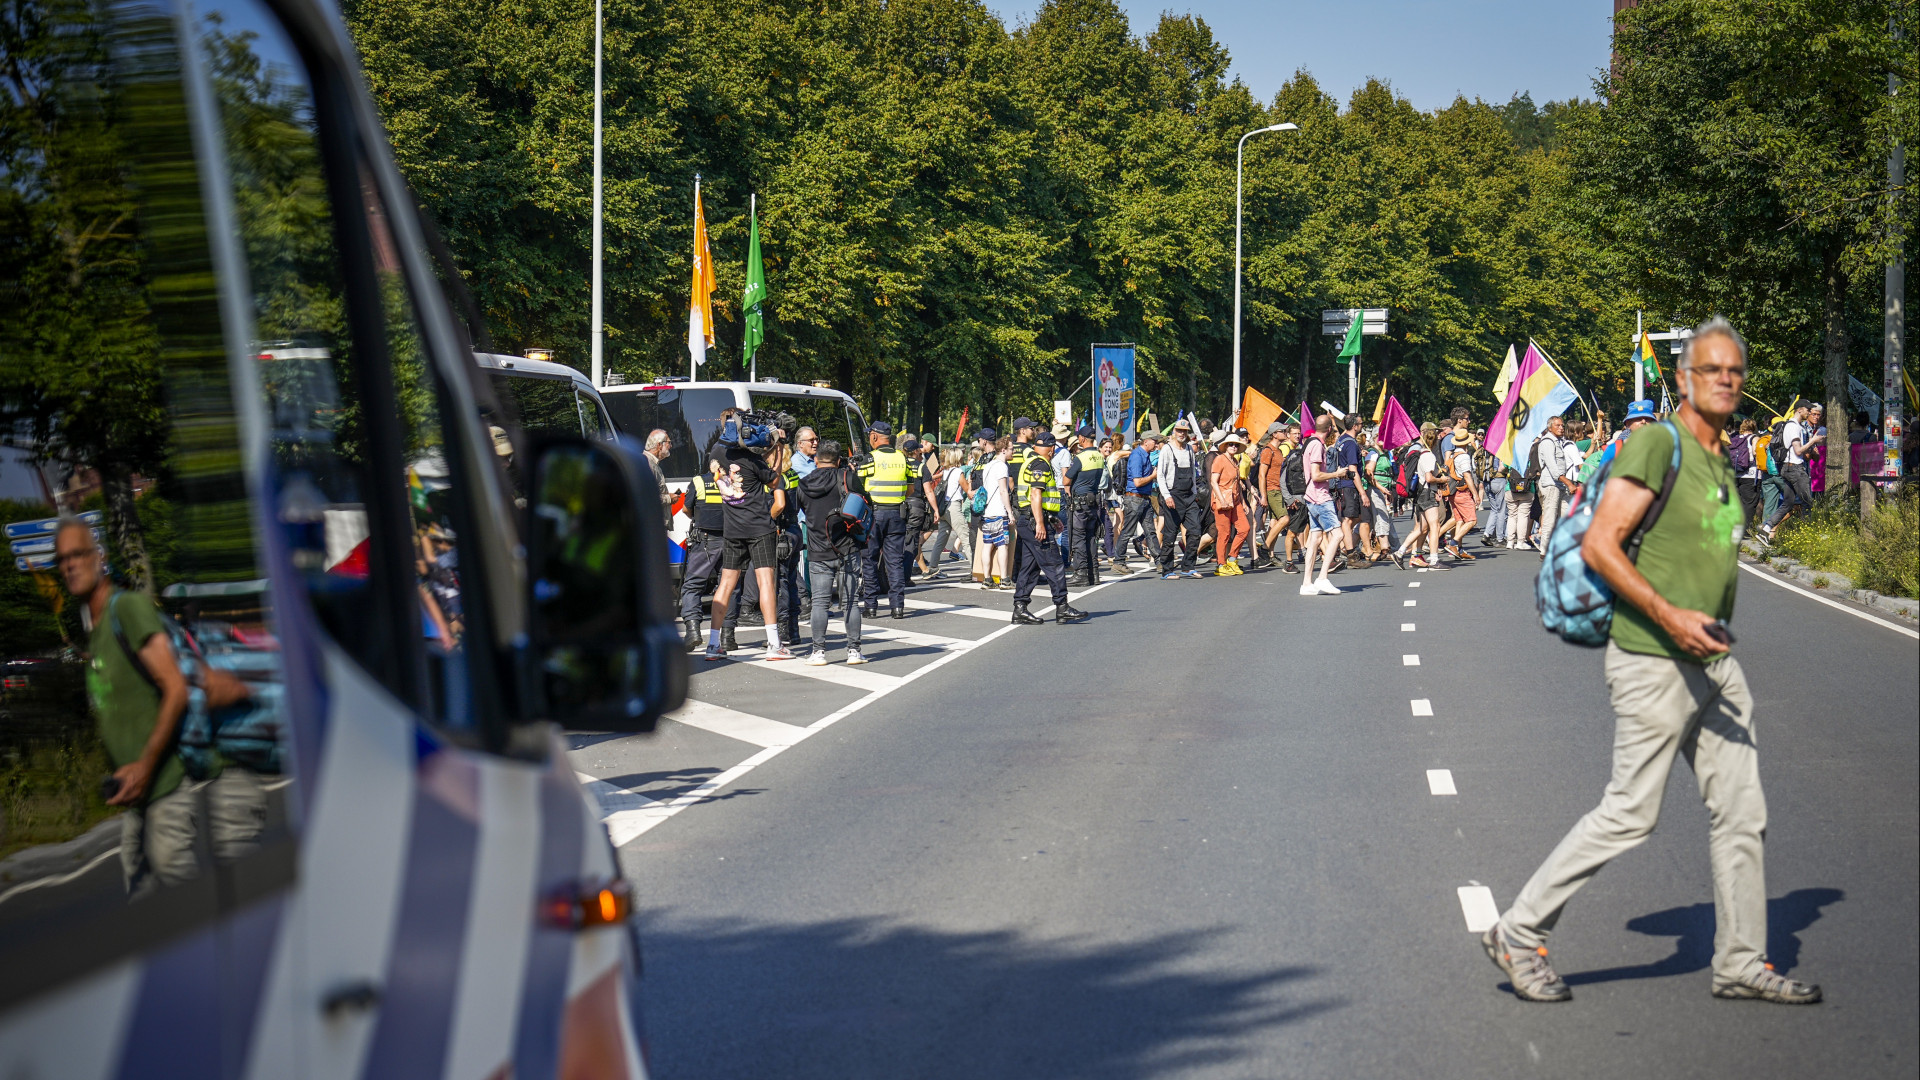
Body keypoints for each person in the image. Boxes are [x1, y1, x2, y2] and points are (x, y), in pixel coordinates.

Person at [1486, 317, 1817, 1006]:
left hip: (1714, 661)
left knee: (1742, 810)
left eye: (1735, 371)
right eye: (1711, 369)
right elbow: (1605, 544)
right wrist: (1670, 616)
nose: (1726, 379)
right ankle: (1519, 930)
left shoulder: (1719, 459)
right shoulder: (1657, 447)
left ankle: (1741, 961)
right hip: (1652, 656)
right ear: (1686, 381)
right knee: (1631, 812)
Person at [706, 411, 790, 660]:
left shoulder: (715, 453)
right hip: (759, 528)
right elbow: (774, 480)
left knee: (726, 584)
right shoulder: (751, 460)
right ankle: (774, 644)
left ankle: (713, 644)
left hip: (732, 529)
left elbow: (744, 469)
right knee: (766, 583)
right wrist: (779, 445)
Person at [795, 440, 868, 666]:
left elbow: (795, 511)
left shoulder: (803, 484)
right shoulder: (846, 478)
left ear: (816, 460)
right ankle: (854, 651)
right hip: (847, 547)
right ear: (838, 460)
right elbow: (865, 503)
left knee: (819, 603)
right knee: (851, 602)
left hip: (817, 550)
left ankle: (818, 652)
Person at [1011, 430, 1089, 625]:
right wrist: (1040, 523)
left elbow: (1038, 498)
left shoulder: (1029, 461)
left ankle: (1020, 608)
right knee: (1054, 564)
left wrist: (1051, 518)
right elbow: (1036, 495)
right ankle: (1062, 607)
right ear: (1052, 449)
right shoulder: (1041, 464)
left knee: (1029, 568)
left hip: (1027, 519)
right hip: (1033, 521)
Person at [678, 451, 740, 650]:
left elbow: (686, 509)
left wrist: (699, 518)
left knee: (693, 586)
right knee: (730, 587)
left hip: (705, 540)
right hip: (731, 539)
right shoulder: (735, 481)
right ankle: (728, 637)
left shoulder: (698, 481)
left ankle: (693, 632)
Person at [857, 421, 913, 619]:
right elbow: (911, 489)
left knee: (870, 560)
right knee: (895, 562)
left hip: (874, 514)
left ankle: (871, 606)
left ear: (874, 436)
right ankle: (897, 607)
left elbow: (859, 489)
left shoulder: (869, 459)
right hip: (897, 513)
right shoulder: (903, 458)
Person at [1297, 415, 1347, 595]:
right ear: (1329, 430)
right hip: (1320, 497)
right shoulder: (1318, 445)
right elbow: (1316, 475)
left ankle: (1306, 583)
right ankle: (1322, 577)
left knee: (1315, 539)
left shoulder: (1309, 443)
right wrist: (1337, 474)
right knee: (1338, 534)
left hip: (1311, 496)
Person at [1154, 420, 1206, 578]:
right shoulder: (1167, 450)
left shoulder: (1190, 449)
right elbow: (1160, 475)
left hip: (1189, 496)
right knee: (1170, 535)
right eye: (1179, 431)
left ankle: (1188, 566)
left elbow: (1192, 474)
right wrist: (1167, 495)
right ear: (1174, 432)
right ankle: (1167, 569)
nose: (1182, 434)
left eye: (1184, 431)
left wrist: (1195, 493)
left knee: (1196, 530)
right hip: (1173, 495)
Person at [1118, 429, 1164, 574]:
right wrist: (1153, 475)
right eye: (1154, 441)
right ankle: (1118, 561)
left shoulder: (1144, 454)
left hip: (1142, 498)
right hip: (1135, 498)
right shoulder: (1137, 456)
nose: (1156, 444)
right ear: (1146, 441)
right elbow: (1137, 482)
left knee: (1150, 531)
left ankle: (1159, 561)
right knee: (1128, 531)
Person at [1065, 425, 1106, 587]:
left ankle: (1081, 573)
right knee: (1091, 537)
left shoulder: (1081, 458)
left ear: (1081, 439)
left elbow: (1066, 480)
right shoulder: (1099, 456)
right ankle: (1093, 573)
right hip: (1094, 502)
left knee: (1078, 537)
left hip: (1081, 502)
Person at [1532, 414, 1575, 557]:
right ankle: (1544, 550)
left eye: (1562, 425)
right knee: (1550, 517)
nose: (1561, 428)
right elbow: (1552, 467)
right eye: (1558, 425)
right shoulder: (1547, 442)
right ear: (1550, 428)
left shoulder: (1558, 441)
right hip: (1551, 484)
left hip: (1560, 484)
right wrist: (1568, 483)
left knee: (1567, 515)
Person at [1331, 415, 1371, 567]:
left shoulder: (1342, 440)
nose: (1361, 426)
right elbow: (1353, 470)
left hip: (1344, 484)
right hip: (1348, 485)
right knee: (1347, 521)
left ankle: (1346, 547)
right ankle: (1350, 555)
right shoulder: (1351, 444)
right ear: (1355, 426)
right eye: (1361, 423)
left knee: (1358, 516)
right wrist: (1362, 493)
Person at [974, 435, 1014, 588]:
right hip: (999, 511)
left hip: (987, 512)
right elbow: (1003, 491)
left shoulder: (988, 465)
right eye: (1011, 449)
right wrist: (1009, 512)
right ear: (1003, 450)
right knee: (1003, 545)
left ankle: (987, 579)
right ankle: (1004, 579)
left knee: (987, 545)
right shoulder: (1001, 467)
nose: (1013, 452)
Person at [1210, 430, 1250, 575]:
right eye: (1231, 444)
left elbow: (1237, 484)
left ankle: (1232, 559)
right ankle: (1221, 565)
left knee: (1244, 528)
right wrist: (1221, 499)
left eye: (1236, 445)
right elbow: (1214, 482)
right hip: (1223, 500)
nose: (1233, 447)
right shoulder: (1220, 459)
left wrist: (1244, 502)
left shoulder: (1235, 461)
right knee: (1224, 534)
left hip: (1235, 500)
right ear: (1225, 446)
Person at [1731, 418, 1763, 530]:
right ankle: (1745, 530)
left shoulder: (1735, 438)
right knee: (1749, 503)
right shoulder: (1754, 438)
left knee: (1738, 503)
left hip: (1736, 473)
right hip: (1751, 474)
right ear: (1754, 427)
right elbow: (1755, 452)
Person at [644, 429, 673, 513]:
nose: (670, 446)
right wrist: (669, 498)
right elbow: (646, 498)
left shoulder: (653, 464)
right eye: (669, 442)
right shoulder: (647, 464)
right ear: (659, 445)